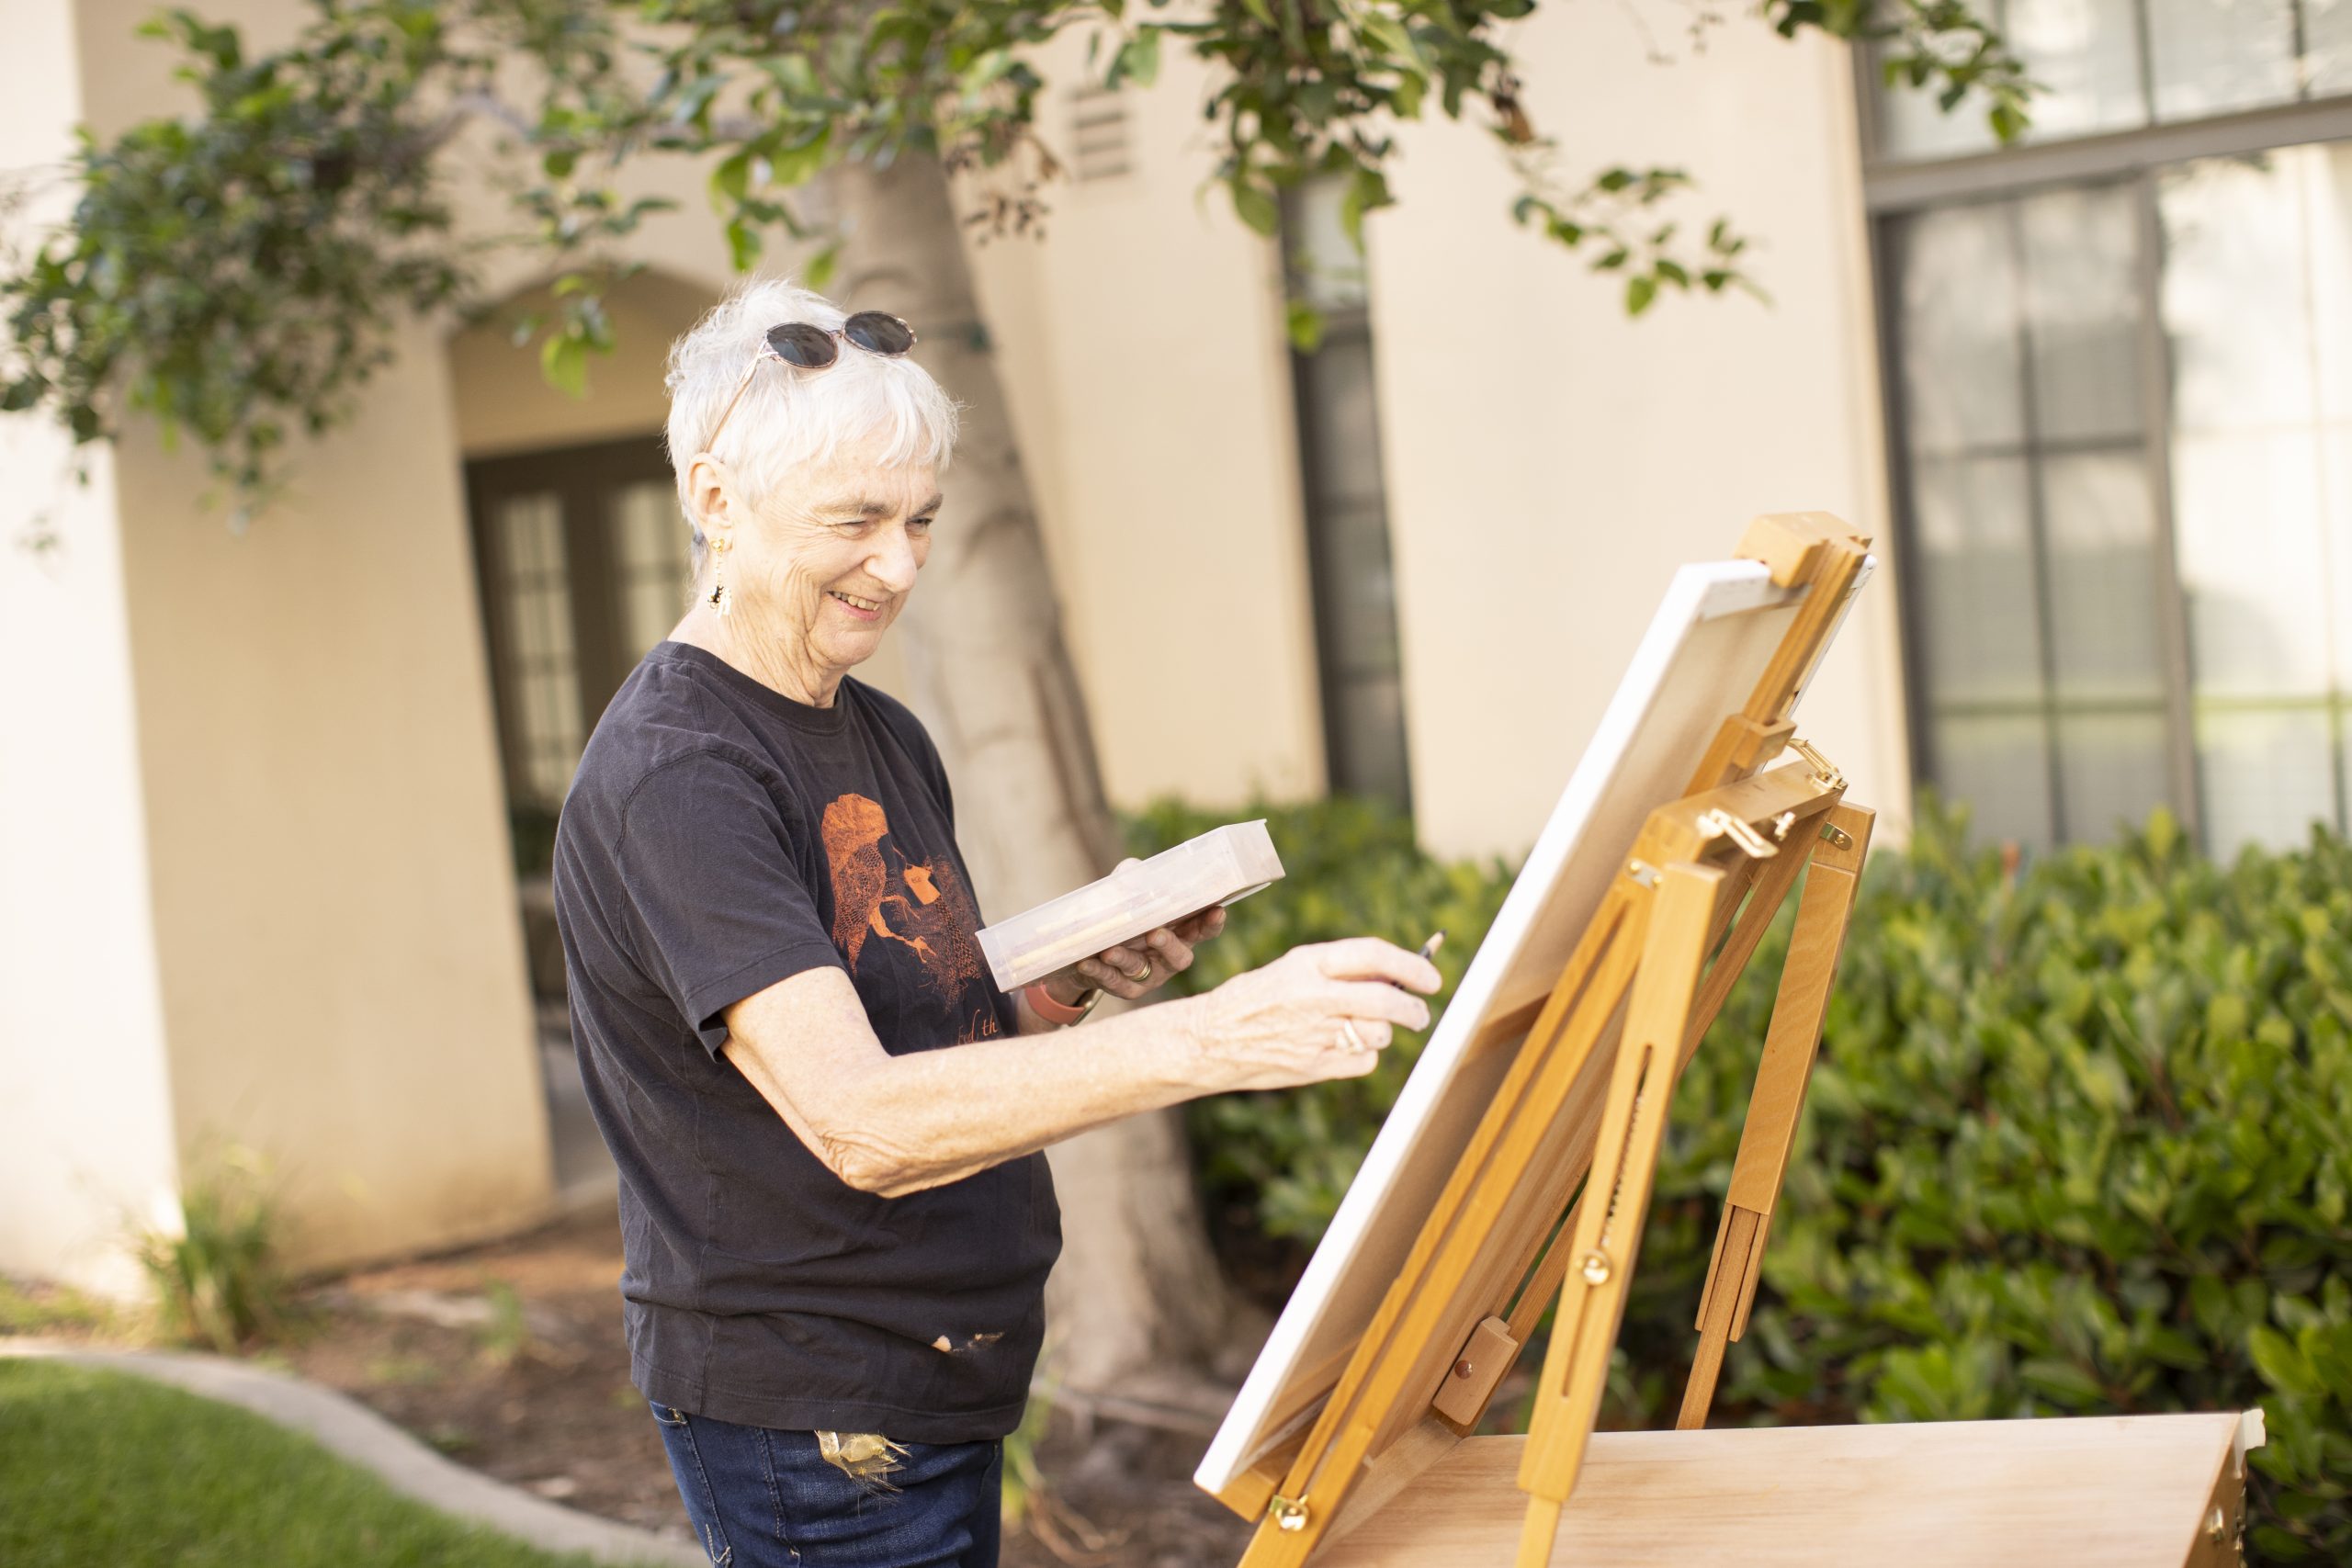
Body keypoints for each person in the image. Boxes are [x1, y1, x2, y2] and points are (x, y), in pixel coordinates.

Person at [551, 278, 1441, 1568]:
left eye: (919, 519)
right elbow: (861, 1121)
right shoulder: (681, 774)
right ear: (714, 500)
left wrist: (1068, 983)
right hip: (818, 1412)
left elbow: (923, 1027)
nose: (900, 565)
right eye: (856, 520)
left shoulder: (878, 729)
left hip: (931, 1377)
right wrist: (1214, 1039)